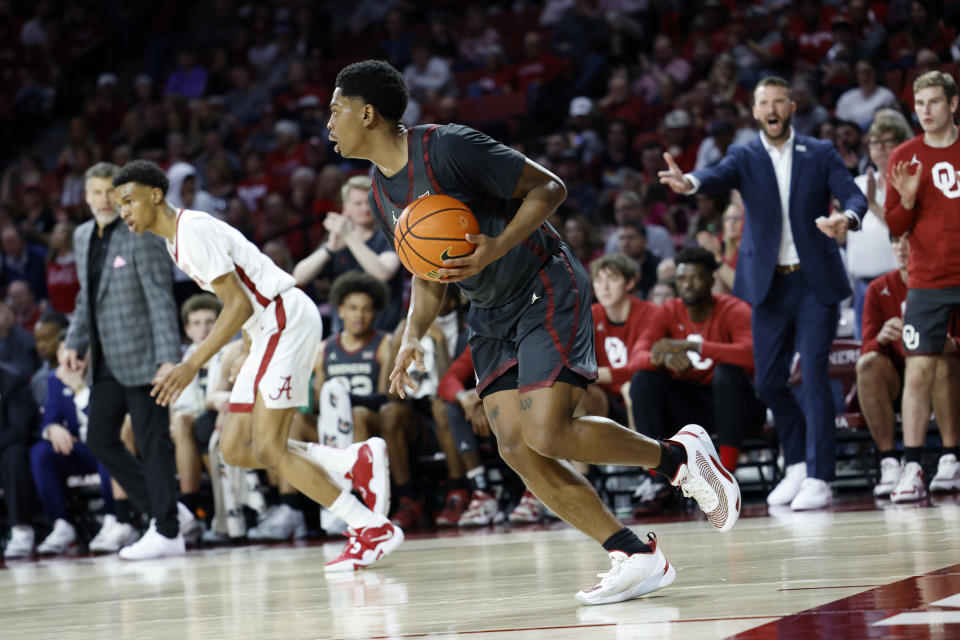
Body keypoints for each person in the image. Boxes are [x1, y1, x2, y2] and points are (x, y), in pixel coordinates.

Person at [329, 59, 740, 605]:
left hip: (543, 280)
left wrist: (498, 245)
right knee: (516, 447)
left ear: (368, 113)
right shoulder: (382, 193)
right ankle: (633, 554)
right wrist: (411, 337)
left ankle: (678, 458)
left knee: (547, 430)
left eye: (335, 111)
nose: (329, 123)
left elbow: (550, 187)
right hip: (489, 310)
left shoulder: (449, 148)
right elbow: (426, 270)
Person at [112, 159, 402, 572]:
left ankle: (369, 527)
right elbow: (246, 286)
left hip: (283, 319)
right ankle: (349, 462)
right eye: (118, 204)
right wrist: (248, 348)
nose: (123, 211)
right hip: (264, 328)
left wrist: (191, 363)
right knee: (235, 449)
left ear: (155, 195)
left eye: (128, 200)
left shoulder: (192, 231)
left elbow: (239, 302)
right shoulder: (174, 241)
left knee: (269, 446)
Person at [659, 75, 868, 511]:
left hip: (814, 282)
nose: (772, 108)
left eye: (779, 101)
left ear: (791, 106)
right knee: (770, 381)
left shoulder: (820, 151)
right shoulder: (746, 154)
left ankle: (819, 475)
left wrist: (846, 218)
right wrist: (689, 183)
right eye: (763, 102)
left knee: (812, 375)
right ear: (754, 111)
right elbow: (715, 175)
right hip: (769, 285)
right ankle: (795, 463)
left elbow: (850, 191)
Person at [64, 161, 188, 560]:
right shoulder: (83, 236)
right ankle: (165, 510)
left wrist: (168, 357)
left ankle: (168, 530)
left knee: (154, 444)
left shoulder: (141, 233)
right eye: (96, 192)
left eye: (110, 193)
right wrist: (73, 341)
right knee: (99, 438)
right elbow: (87, 298)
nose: (103, 200)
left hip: (145, 357)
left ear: (123, 198)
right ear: (85, 197)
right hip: (104, 360)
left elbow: (160, 298)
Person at [628, 248, 765, 510]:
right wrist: (663, 359)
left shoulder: (733, 308)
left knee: (728, 373)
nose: (687, 285)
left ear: (712, 280)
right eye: (682, 279)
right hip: (692, 409)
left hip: (738, 406)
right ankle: (658, 482)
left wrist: (694, 347)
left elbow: (751, 355)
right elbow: (637, 357)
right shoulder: (668, 311)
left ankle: (725, 474)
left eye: (695, 278)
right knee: (643, 379)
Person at [884, 71, 960, 501]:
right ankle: (913, 464)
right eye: (920, 103)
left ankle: (952, 458)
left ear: (953, 103)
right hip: (929, 281)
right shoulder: (904, 156)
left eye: (934, 102)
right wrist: (909, 198)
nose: (925, 111)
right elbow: (896, 226)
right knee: (919, 371)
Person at [857, 235, 960, 499]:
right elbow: (865, 347)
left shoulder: (947, 284)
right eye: (894, 241)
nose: (901, 248)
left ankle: (951, 459)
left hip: (941, 373)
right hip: (897, 376)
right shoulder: (878, 288)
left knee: (941, 361)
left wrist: (952, 344)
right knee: (867, 365)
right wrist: (880, 338)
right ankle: (889, 462)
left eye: (908, 240)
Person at [29, 333, 117, 555]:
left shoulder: (104, 376)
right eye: (64, 355)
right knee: (41, 452)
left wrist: (79, 388)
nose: (71, 362)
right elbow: (49, 417)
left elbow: (105, 423)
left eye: (77, 354)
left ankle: (113, 521)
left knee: (109, 449)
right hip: (78, 449)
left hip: (105, 446)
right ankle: (61, 524)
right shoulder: (54, 379)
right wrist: (52, 429)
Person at [293, 175, 406, 332]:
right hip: (343, 337)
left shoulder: (389, 237)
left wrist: (347, 236)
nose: (365, 209)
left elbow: (383, 273)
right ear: (346, 207)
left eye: (369, 203)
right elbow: (299, 277)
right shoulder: (336, 242)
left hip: (385, 334)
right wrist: (329, 248)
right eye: (358, 204)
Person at [169, 293, 224, 536]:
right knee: (182, 422)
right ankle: (189, 509)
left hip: (225, 420)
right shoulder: (185, 359)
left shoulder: (230, 352)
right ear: (188, 330)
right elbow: (183, 406)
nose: (204, 328)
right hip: (199, 425)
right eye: (197, 323)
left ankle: (197, 508)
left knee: (196, 425)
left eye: (210, 321)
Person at [847, 120, 908, 340]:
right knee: (864, 357)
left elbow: (903, 230)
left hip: (898, 284)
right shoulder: (858, 183)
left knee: (903, 351)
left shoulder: (910, 183)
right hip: (862, 287)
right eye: (874, 143)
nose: (879, 148)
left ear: (903, 145)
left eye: (886, 142)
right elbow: (845, 234)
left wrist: (872, 203)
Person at [0, 362, 39, 559]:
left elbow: (20, 430)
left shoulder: (12, 380)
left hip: (8, 449)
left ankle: (21, 530)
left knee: (14, 456)